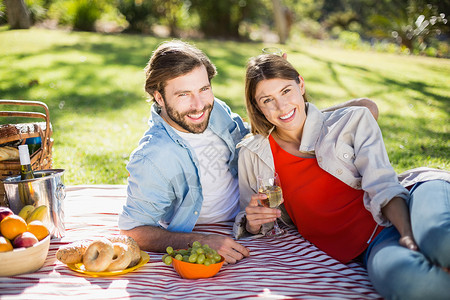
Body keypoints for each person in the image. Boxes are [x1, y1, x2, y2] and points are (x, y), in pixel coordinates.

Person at [118, 40, 379, 264]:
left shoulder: (214, 109)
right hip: (229, 230)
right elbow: (133, 232)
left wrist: (285, 96)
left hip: (261, 206)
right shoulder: (152, 158)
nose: (199, 105)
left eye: (204, 89)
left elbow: (256, 134)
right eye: (184, 95)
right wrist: (199, 240)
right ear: (159, 97)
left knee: (365, 107)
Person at [234, 54, 450, 298]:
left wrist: (408, 235)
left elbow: (383, 185)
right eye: (267, 100)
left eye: (286, 91)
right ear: (257, 106)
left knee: (441, 242)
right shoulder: (254, 154)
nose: (282, 106)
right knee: (416, 287)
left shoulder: (350, 121)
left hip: (411, 199)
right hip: (372, 246)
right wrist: (253, 223)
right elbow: (253, 216)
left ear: (301, 85)